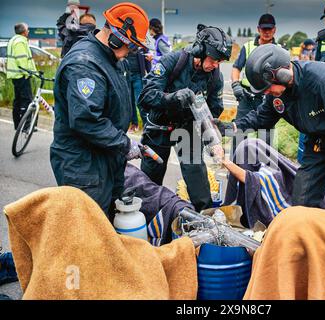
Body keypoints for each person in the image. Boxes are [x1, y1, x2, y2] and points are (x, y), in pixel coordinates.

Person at [215, 44, 325, 222]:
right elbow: (261, 118)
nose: (266, 93)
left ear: (282, 74)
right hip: (318, 141)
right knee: (302, 198)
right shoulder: (276, 95)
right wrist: (231, 127)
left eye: (267, 87)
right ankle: (309, 243)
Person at [50, 2, 151, 215]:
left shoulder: (114, 59)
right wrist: (124, 144)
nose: (131, 53)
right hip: (83, 165)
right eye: (131, 47)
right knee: (89, 229)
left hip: (106, 155)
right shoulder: (85, 65)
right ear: (116, 37)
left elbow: (122, 98)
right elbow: (87, 120)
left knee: (109, 221)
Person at [138, 24, 232, 212]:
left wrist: (211, 128)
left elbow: (215, 108)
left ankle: (205, 220)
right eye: (214, 59)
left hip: (188, 129)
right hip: (159, 127)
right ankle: (145, 219)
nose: (216, 65)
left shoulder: (215, 76)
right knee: (149, 183)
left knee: (198, 182)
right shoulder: (172, 61)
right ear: (200, 50)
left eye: (220, 62)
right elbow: (146, 96)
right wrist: (171, 98)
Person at [231, 13, 278, 153]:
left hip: (267, 99)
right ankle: (235, 169)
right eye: (264, 29)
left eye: (270, 29)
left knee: (265, 137)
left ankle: (263, 171)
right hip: (246, 97)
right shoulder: (248, 46)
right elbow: (236, 68)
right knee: (239, 134)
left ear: (274, 29)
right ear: (258, 29)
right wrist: (235, 85)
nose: (267, 32)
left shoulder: (279, 49)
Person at [6, 23, 37, 130]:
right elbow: (22, 60)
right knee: (26, 100)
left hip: (16, 75)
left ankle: (18, 125)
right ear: (24, 31)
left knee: (18, 100)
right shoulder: (20, 42)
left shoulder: (14, 40)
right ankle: (26, 126)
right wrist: (29, 73)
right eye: (28, 29)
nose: (28, 31)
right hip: (22, 75)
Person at [125, 48, 151, 133]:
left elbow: (147, 58)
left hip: (138, 76)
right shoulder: (125, 42)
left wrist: (149, 72)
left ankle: (146, 125)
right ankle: (134, 124)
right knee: (129, 102)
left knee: (139, 101)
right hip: (126, 75)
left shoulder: (141, 44)